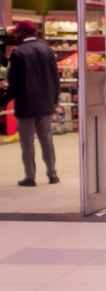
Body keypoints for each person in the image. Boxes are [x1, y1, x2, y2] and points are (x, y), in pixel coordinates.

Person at [1, 20, 60, 187]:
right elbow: (55, 77)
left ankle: (30, 177)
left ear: (21, 34)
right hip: (45, 104)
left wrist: (4, 101)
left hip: (26, 104)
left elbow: (15, 83)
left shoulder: (18, 53)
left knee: (27, 143)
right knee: (47, 140)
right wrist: (55, 99)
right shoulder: (47, 50)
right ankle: (52, 174)